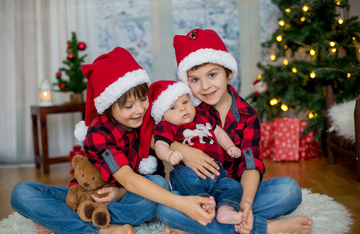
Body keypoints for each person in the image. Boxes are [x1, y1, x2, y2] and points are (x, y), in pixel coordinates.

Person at [11, 47, 215, 234]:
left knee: (159, 185)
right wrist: (182, 203)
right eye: (128, 106)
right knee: (22, 193)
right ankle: (98, 229)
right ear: (109, 106)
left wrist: (120, 192)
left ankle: (65, 222)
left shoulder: (148, 119)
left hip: (126, 199)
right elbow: (127, 177)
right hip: (93, 195)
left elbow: (161, 144)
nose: (139, 110)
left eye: (143, 100)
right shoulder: (98, 133)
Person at [156, 29, 313, 234]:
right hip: (199, 194)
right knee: (165, 208)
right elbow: (155, 135)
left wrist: (246, 204)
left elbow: (251, 164)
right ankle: (264, 228)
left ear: (228, 73)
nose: (205, 86)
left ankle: (202, 226)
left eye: (212, 75)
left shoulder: (247, 114)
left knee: (289, 190)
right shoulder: (187, 111)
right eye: (194, 80)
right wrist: (184, 151)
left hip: (234, 193)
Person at [142, 80, 243, 225]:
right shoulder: (167, 127)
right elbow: (160, 145)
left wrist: (230, 146)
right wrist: (169, 154)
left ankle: (225, 210)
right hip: (188, 171)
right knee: (186, 179)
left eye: (185, 102)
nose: (182, 109)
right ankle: (201, 204)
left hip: (216, 172)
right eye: (173, 107)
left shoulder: (203, 117)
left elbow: (219, 132)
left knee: (234, 186)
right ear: (162, 116)